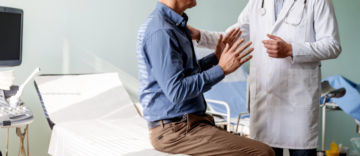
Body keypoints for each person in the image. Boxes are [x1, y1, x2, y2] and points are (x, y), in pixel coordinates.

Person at [188, 0, 342, 155]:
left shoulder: (318, 2)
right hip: (265, 103)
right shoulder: (257, 2)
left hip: (298, 103)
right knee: (265, 151)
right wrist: (200, 35)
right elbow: (232, 36)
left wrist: (291, 49)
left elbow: (332, 45)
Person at [136, 0, 275, 155]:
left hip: (190, 123)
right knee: (263, 152)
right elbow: (176, 91)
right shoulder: (162, 31)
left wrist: (216, 57)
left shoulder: (175, 25)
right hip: (176, 131)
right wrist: (222, 69)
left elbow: (187, 74)